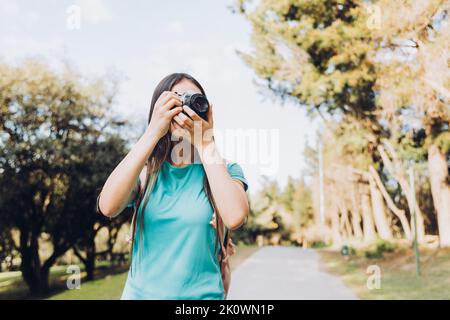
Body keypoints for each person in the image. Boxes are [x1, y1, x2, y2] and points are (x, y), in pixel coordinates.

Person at [97, 73, 249, 299]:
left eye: (193, 101)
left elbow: (236, 216)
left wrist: (205, 142)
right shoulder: (146, 173)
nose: (185, 110)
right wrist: (153, 131)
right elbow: (108, 206)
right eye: (176, 101)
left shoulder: (225, 170)